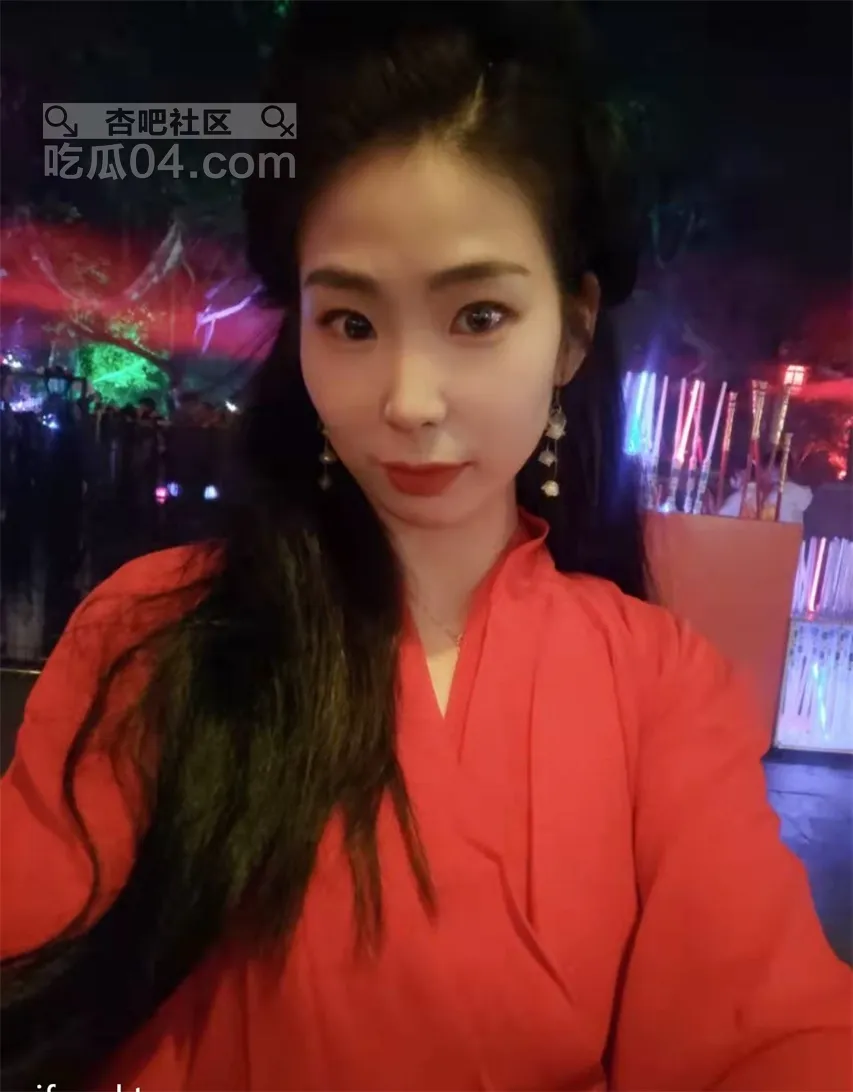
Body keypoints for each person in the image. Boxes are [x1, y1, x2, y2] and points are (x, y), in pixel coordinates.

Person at [2, 4, 851, 1090]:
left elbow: (769, 1033)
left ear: (571, 331)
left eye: (478, 315)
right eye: (351, 323)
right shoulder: (155, 636)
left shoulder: (656, 687)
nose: (408, 400)